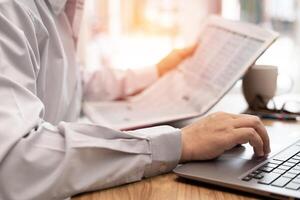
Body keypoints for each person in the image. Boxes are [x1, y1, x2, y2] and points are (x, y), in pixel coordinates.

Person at [0, 0, 270, 200]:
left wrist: (156, 72)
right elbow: (15, 161)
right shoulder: (11, 10)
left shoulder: (61, 8)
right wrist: (179, 144)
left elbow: (71, 83)